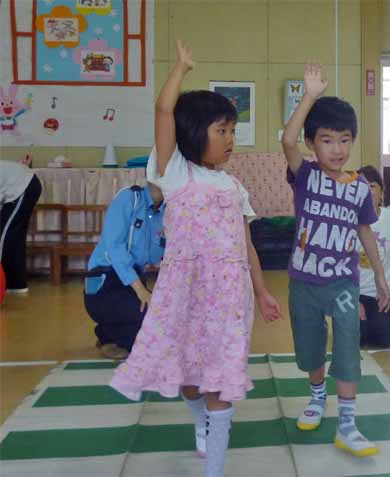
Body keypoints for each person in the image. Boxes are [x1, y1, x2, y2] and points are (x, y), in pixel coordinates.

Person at [110, 40, 282, 477]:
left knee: (221, 381)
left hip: (229, 297)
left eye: (232, 131)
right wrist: (181, 69)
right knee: (189, 378)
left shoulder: (234, 188)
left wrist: (262, 292)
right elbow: (163, 111)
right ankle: (200, 420)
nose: (230, 140)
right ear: (192, 133)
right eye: (221, 130)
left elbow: (246, 245)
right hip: (185, 293)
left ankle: (214, 469)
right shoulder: (174, 172)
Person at [281, 63, 389, 457]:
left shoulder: (359, 187)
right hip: (304, 283)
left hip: (343, 283)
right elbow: (287, 140)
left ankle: (347, 424)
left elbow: (365, 232)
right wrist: (310, 95)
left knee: (347, 344)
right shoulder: (306, 175)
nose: (337, 149)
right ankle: (316, 396)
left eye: (345, 140)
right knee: (310, 347)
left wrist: (380, 278)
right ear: (313, 143)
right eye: (327, 140)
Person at [83, 183, 165, 360]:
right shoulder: (129, 198)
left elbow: (160, 255)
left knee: (164, 320)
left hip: (133, 283)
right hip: (105, 281)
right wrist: (141, 291)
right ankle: (108, 335)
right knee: (150, 337)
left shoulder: (168, 210)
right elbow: (115, 248)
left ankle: (114, 332)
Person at [356, 165, 390, 348]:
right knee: (356, 338)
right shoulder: (347, 218)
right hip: (355, 293)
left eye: (372, 186)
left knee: (384, 339)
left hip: (383, 293)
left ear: (381, 191)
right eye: (361, 186)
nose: (367, 191)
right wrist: (352, 300)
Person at [0, 159, 42, 293]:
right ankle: (16, 284)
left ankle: (5, 282)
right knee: (14, 237)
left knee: (4, 236)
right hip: (23, 185)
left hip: (24, 186)